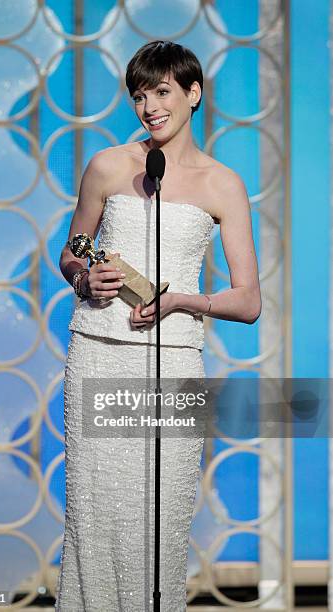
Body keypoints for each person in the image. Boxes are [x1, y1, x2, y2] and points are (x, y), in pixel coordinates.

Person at [54, 40, 261, 612]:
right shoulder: (108, 165)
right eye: (140, 96)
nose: (149, 107)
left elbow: (248, 302)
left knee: (162, 522)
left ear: (193, 94)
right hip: (97, 350)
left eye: (162, 92)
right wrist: (81, 277)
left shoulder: (224, 184)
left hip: (174, 362)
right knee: (94, 521)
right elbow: (72, 249)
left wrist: (180, 303)